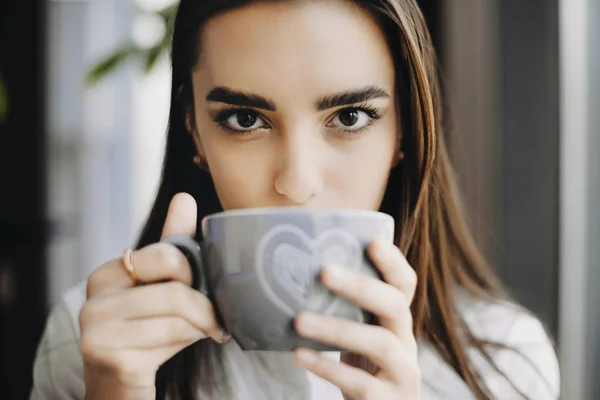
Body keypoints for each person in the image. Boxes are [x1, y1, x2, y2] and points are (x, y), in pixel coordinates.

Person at [30, 0, 560, 399]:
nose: (298, 182)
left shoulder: (503, 363)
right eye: (245, 120)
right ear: (193, 130)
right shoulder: (89, 343)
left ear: (405, 132)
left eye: (349, 117)